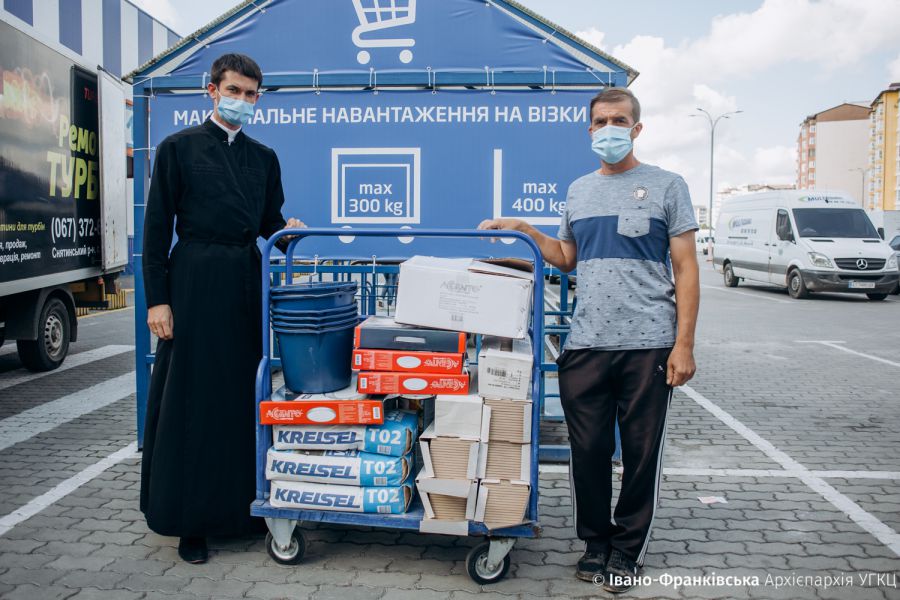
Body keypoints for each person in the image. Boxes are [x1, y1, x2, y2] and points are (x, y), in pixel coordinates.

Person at [479, 87, 699, 594]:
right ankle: (595, 543)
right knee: (589, 451)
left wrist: (683, 345)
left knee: (641, 454)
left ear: (637, 128)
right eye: (600, 122)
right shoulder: (578, 190)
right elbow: (567, 257)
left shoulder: (668, 186)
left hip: (648, 345)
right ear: (589, 130)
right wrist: (522, 229)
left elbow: (686, 269)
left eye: (618, 120)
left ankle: (627, 550)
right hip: (586, 345)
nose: (608, 130)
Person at [141, 53, 303, 564]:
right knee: (193, 404)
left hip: (242, 287)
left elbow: (268, 226)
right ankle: (191, 524)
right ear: (211, 90)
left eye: (252, 94)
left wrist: (287, 235)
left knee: (241, 399)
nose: (243, 101)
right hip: (191, 283)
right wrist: (158, 301)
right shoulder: (178, 149)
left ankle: (242, 511)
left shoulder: (264, 158)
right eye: (234, 91)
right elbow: (154, 233)